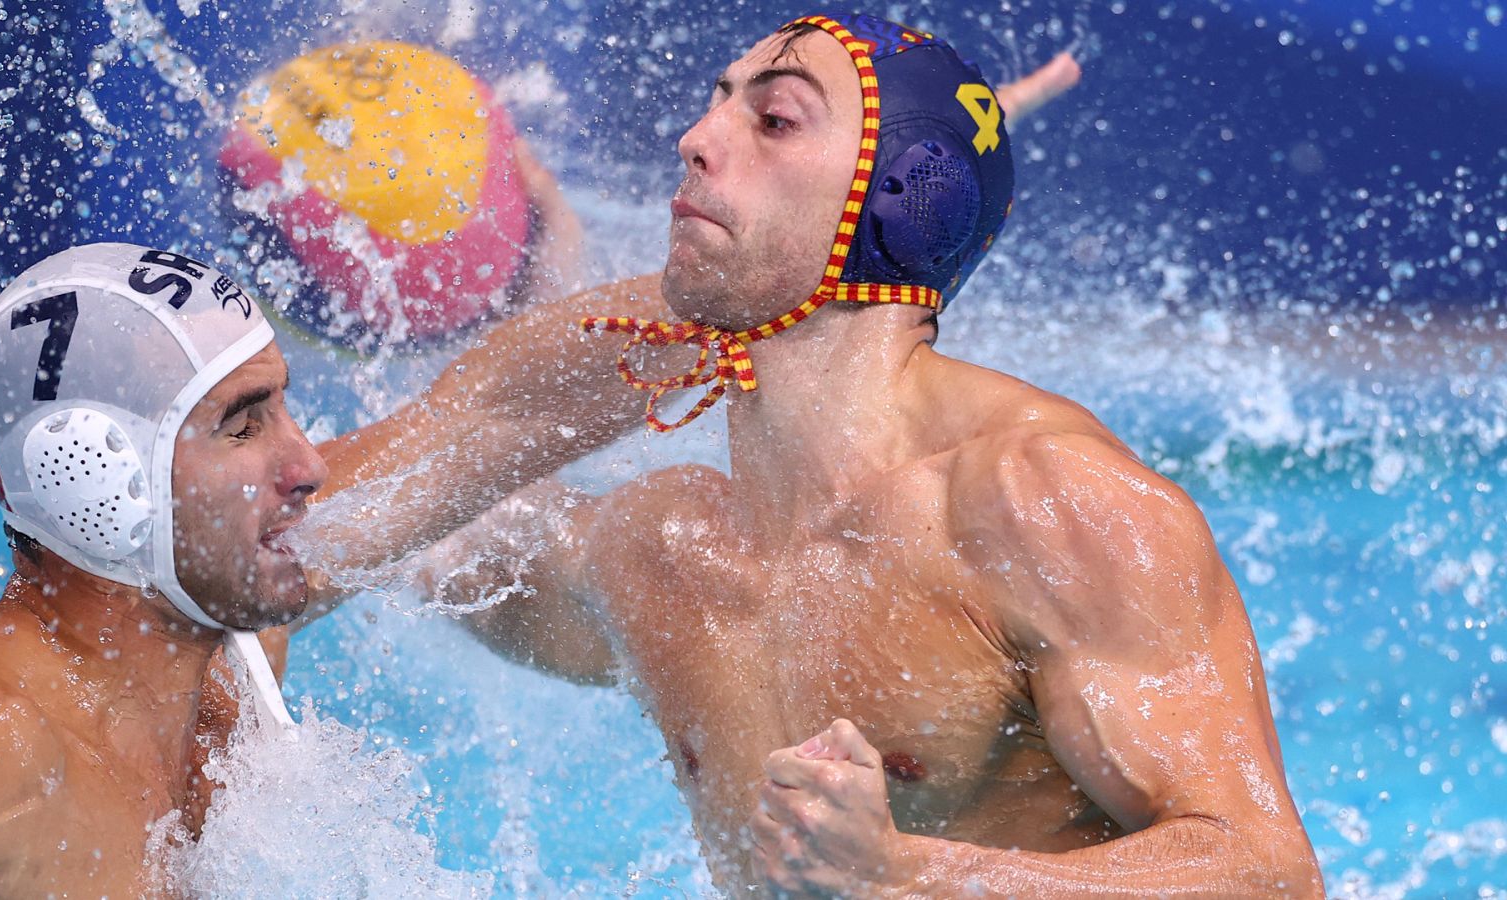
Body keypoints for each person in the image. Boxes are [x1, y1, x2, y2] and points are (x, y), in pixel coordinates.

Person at [422, 13, 1323, 897]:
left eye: (773, 121)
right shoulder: (669, 549)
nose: (694, 138)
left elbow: (1266, 872)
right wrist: (500, 304)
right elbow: (443, 544)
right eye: (717, 104)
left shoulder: (1045, 507)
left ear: (896, 196)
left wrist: (908, 875)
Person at [0, 143, 664, 895]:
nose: (309, 466)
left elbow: (489, 418)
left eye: (283, 407)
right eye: (243, 425)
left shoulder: (227, 649)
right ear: (92, 478)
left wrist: (754, 299)